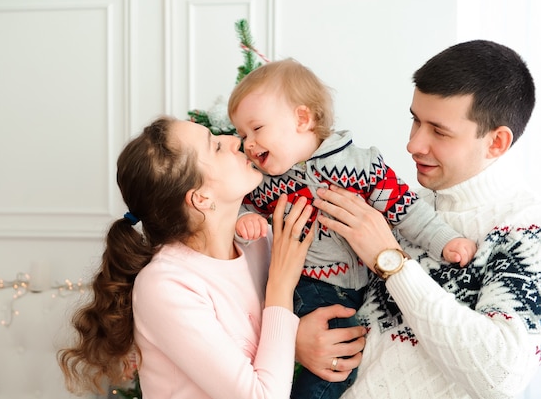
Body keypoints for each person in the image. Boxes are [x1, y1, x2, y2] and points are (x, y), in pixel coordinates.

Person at [298, 39, 541, 398]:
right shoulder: (406, 207)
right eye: (415, 120)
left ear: (496, 142)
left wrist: (391, 262)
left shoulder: (526, 229)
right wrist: (299, 337)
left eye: (439, 131)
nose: (413, 144)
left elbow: (501, 377)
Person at [228, 58, 477, 398]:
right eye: (242, 134)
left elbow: (405, 208)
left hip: (363, 288)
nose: (248, 144)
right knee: (337, 363)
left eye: (256, 129)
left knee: (350, 352)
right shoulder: (266, 184)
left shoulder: (361, 166)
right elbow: (233, 201)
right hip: (311, 287)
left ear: (302, 119)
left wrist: (445, 240)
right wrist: (245, 217)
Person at [57, 115, 324, 399]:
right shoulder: (164, 286)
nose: (236, 141)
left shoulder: (260, 241)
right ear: (201, 198)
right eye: (216, 147)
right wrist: (280, 287)